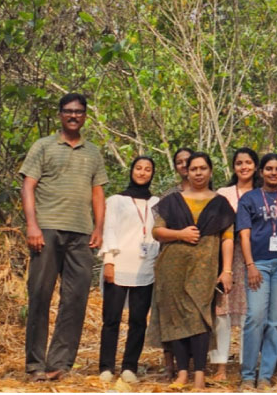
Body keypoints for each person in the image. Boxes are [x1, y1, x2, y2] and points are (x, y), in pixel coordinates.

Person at [19, 92, 108, 381]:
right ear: (60, 114)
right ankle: (35, 364)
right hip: (46, 230)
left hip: (81, 233)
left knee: (76, 297)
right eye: (68, 111)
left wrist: (98, 228)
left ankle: (59, 363)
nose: (73, 115)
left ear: (85, 116)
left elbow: (98, 192)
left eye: (79, 111)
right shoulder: (43, 146)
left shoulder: (93, 152)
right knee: (40, 295)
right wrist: (32, 225)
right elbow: (28, 186)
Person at [152, 153, 236, 390]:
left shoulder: (221, 203)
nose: (198, 173)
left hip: (205, 266)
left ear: (210, 171)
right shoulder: (171, 201)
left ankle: (199, 373)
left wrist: (227, 270)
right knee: (176, 318)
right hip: (172, 265)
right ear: (186, 172)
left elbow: (227, 238)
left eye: (203, 168)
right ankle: (181, 373)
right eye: (194, 169)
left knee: (200, 317)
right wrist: (180, 234)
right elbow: (157, 232)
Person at [237, 153, 277, 390]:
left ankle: (265, 375)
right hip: (259, 264)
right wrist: (250, 265)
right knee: (255, 317)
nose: (274, 173)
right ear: (261, 172)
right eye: (269, 169)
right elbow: (244, 234)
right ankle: (248, 375)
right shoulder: (249, 199)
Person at [98, 156, 160, 383]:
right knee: (111, 319)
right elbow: (109, 229)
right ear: (131, 170)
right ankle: (106, 366)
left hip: (146, 268)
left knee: (138, 320)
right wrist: (108, 261)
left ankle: (129, 367)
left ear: (152, 173)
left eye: (148, 169)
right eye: (139, 168)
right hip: (119, 264)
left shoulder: (157, 202)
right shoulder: (116, 200)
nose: (142, 173)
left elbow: (159, 234)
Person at [210, 147, 261, 381]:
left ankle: (245, 363)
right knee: (222, 312)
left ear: (256, 166)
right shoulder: (223, 193)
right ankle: (220, 366)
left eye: (249, 162)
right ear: (233, 167)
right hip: (226, 257)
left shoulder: (262, 193)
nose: (244, 167)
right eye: (239, 163)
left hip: (253, 259)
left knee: (249, 312)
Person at [150, 145, 193, 379]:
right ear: (175, 167)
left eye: (189, 161)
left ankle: (194, 364)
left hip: (198, 264)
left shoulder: (207, 194)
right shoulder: (168, 196)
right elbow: (157, 230)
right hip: (169, 261)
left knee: (193, 314)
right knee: (167, 313)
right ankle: (169, 366)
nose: (184, 165)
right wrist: (180, 235)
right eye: (180, 162)